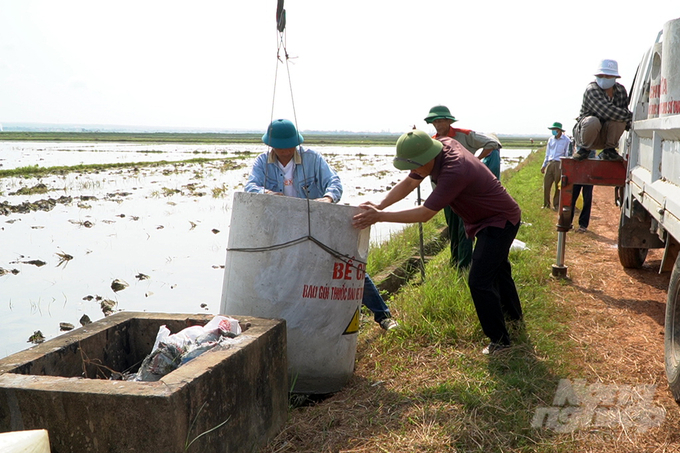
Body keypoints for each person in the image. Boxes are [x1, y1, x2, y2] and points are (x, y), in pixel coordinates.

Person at [352, 129, 523, 354]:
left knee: (479, 280)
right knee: (498, 269)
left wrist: (380, 217)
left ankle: (500, 342)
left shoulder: (455, 170)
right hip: (486, 218)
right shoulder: (439, 145)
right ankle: (514, 316)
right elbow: (409, 183)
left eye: (414, 165)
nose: (412, 171)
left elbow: (425, 214)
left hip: (500, 221)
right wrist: (380, 205)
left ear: (426, 158)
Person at [245, 118, 399, 331]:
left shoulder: (312, 159)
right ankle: (291, 322)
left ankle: (383, 316)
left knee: (347, 266)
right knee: (286, 274)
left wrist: (327, 198)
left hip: (317, 223)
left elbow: (334, 182)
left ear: (296, 143)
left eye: (289, 146)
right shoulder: (263, 162)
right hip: (283, 227)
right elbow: (250, 186)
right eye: (279, 147)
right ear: (271, 145)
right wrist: (267, 193)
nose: (285, 151)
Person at [424, 105, 502, 268]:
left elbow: (493, 143)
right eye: (435, 122)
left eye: (441, 121)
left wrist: (476, 159)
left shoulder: (464, 135)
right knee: (452, 229)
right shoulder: (432, 141)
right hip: (445, 193)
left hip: (466, 193)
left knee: (465, 230)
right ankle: (454, 262)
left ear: (449, 121)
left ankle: (464, 266)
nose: (438, 125)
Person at [572, 59, 632, 161]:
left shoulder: (620, 91)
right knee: (593, 121)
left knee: (619, 121)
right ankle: (584, 150)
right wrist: (630, 116)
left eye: (607, 76)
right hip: (586, 134)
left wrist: (626, 120)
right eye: (600, 76)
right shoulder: (592, 90)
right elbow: (607, 111)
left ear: (615, 78)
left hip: (606, 135)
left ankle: (609, 150)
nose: (604, 79)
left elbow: (622, 117)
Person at [541, 122, 571, 210]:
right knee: (546, 184)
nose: (553, 131)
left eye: (554, 130)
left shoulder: (567, 140)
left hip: (559, 164)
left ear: (559, 130)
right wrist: (544, 165)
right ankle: (546, 204)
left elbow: (567, 154)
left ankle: (556, 204)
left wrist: (566, 167)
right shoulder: (551, 139)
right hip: (550, 162)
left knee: (558, 186)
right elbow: (547, 153)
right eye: (552, 130)